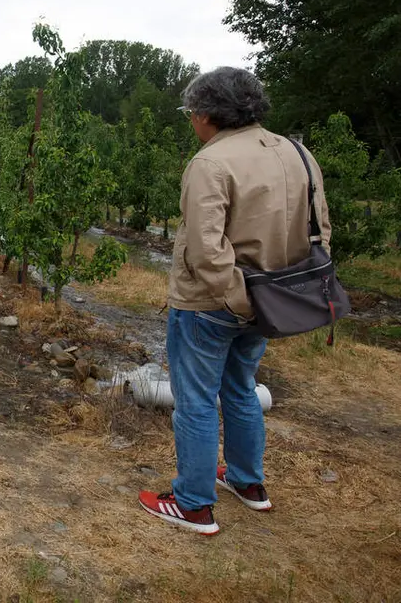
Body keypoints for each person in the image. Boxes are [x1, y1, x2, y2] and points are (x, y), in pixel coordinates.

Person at [138, 67, 331, 535]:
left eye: (190, 113)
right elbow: (321, 230)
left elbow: (205, 249)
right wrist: (268, 298)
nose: (190, 122)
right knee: (241, 389)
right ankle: (248, 483)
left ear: (205, 114)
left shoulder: (211, 162)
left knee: (196, 401)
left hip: (214, 303)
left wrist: (235, 298)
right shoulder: (297, 153)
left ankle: (193, 505)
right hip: (273, 298)